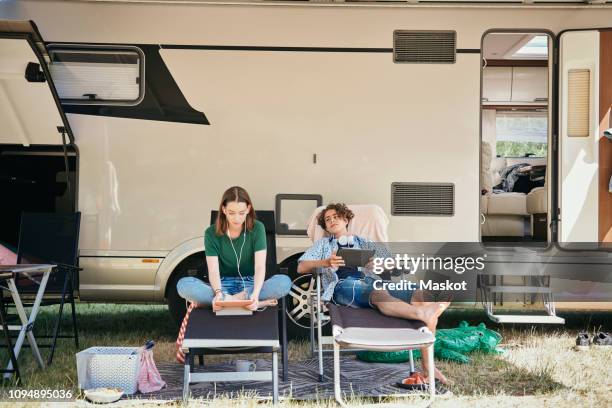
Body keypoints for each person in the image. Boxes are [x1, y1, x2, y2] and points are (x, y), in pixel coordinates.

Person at [297, 203, 450, 385]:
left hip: (375, 281)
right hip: (344, 286)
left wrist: (377, 264)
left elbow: (392, 264)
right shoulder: (323, 244)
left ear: (345, 219)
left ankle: (428, 367)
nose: (331, 221)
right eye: (327, 219)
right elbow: (301, 266)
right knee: (379, 294)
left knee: (426, 296)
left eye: (335, 217)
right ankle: (422, 315)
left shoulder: (366, 242)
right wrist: (325, 262)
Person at [177, 186, 291, 311]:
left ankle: (228, 302)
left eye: (241, 213)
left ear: (248, 209)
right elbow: (214, 270)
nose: (236, 218)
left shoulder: (258, 228)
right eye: (231, 213)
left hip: (250, 284)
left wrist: (255, 294)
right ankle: (245, 301)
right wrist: (219, 293)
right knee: (183, 285)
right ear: (224, 209)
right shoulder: (211, 233)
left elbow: (259, 267)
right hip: (221, 285)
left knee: (284, 282)